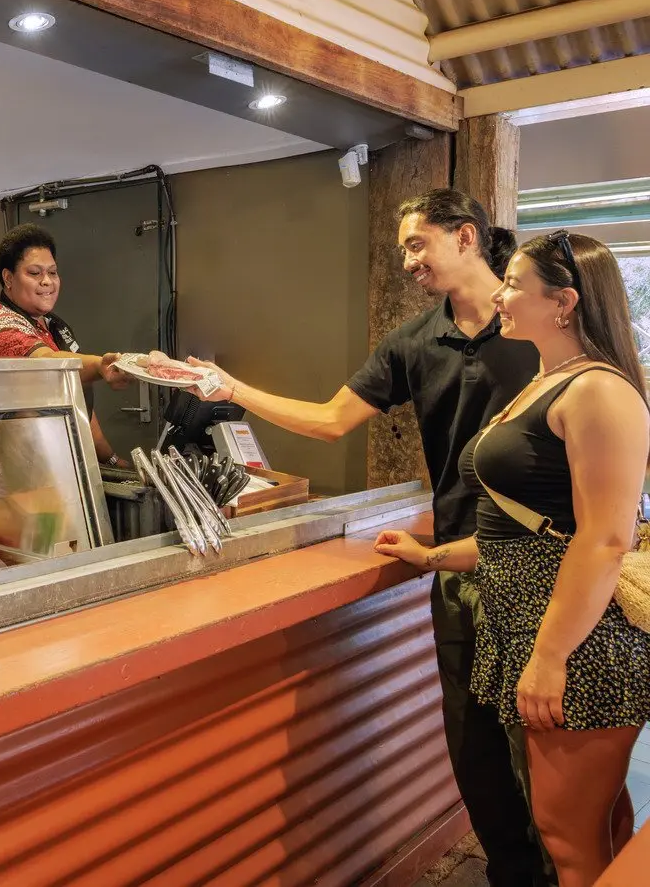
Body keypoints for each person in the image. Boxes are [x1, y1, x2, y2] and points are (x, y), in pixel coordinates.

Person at [186, 190, 552, 887]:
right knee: (479, 766)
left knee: (559, 763)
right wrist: (231, 386)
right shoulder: (414, 344)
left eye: (417, 244)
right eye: (403, 250)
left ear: (465, 237)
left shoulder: (538, 324)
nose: (408, 260)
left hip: (541, 570)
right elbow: (329, 420)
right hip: (457, 575)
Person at [376, 231, 650, 887]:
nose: (499, 294)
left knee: (566, 836)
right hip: (536, 627)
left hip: (578, 641)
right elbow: (516, 530)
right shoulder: (545, 380)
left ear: (563, 302)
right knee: (596, 822)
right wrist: (433, 554)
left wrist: (550, 656)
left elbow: (605, 538)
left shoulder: (597, 391)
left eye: (514, 286)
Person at [0, 223, 131, 467]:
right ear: (8, 278)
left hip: (52, 463)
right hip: (7, 469)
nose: (47, 282)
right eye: (35, 273)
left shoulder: (54, 325)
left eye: (53, 272)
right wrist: (100, 365)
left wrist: (111, 459)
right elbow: (46, 363)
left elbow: (79, 401)